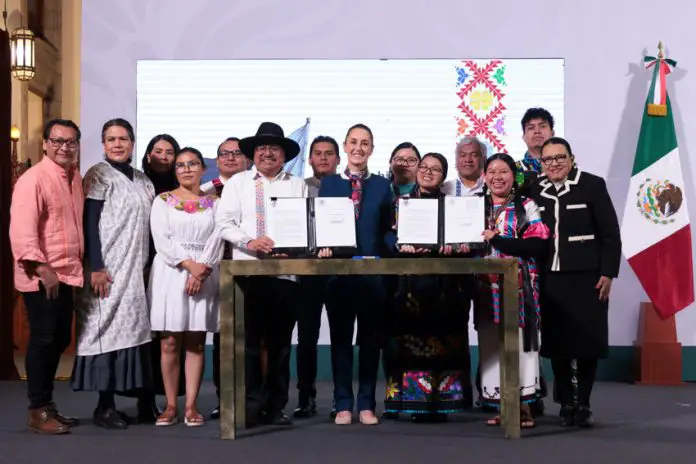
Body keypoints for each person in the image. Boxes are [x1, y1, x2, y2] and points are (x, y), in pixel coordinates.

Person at [216, 121, 307, 427]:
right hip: (247, 273)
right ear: (253, 154)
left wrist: (293, 249)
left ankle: (277, 405)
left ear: (284, 155)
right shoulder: (237, 183)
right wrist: (250, 242)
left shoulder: (297, 184)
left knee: (281, 345)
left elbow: (305, 226)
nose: (268, 153)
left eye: (274, 148)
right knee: (250, 343)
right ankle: (251, 403)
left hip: (285, 275)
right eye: (262, 148)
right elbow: (224, 224)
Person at [530, 137, 621, 428]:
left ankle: (584, 403)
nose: (554, 164)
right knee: (557, 344)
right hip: (550, 277)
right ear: (541, 163)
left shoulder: (592, 185)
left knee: (586, 343)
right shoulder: (533, 188)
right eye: (548, 159)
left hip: (588, 279)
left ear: (571, 158)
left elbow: (610, 235)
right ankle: (566, 402)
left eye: (560, 157)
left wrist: (608, 273)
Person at [71, 118, 156, 430]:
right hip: (106, 270)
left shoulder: (144, 180)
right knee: (105, 332)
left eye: (123, 138)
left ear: (133, 143)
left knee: (135, 334)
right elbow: (89, 221)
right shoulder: (98, 175)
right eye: (111, 139)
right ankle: (104, 406)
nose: (118, 144)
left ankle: (143, 401)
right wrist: (96, 266)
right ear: (104, 145)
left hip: (135, 269)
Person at [317, 123, 396, 426]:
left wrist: (401, 245)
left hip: (373, 275)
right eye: (353, 142)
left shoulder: (381, 185)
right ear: (345, 147)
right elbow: (322, 225)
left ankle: (366, 403)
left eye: (365, 143)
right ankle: (343, 403)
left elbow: (386, 230)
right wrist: (323, 246)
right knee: (340, 341)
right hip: (338, 274)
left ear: (372, 149)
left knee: (370, 342)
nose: (358, 148)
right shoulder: (330, 184)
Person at [384, 153, 472, 422]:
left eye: (436, 169)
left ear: (444, 176)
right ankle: (409, 402)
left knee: (444, 341)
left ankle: (443, 403)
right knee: (409, 341)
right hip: (409, 285)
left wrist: (457, 246)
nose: (428, 172)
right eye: (424, 167)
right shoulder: (402, 203)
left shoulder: (455, 206)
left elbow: (467, 239)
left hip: (445, 285)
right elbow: (388, 234)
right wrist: (400, 244)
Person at [9, 119, 84, 435]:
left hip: (67, 272)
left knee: (59, 339)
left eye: (70, 142)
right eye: (57, 141)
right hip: (43, 275)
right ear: (44, 143)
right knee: (43, 340)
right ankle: (37, 410)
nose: (63, 147)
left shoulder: (74, 177)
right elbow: (22, 230)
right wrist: (41, 269)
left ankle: (47, 404)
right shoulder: (33, 179)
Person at [149, 147, 224, 427]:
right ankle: (170, 405)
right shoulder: (163, 201)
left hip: (204, 273)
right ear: (175, 170)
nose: (187, 169)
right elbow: (162, 239)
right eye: (180, 165)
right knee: (169, 341)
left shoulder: (215, 203)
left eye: (193, 164)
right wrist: (187, 264)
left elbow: (218, 238)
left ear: (203, 168)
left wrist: (201, 269)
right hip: (172, 272)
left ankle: (191, 405)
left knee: (195, 341)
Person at [475, 153, 550, 429]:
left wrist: (500, 241)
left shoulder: (526, 205)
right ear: (484, 176)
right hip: (485, 286)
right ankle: (501, 405)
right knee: (493, 343)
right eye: (492, 171)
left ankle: (524, 406)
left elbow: (538, 245)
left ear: (514, 176)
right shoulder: (474, 207)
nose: (497, 176)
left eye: (503, 171)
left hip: (520, 285)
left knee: (521, 342)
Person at [202, 136, 250, 420]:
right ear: (217, 159)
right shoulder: (204, 193)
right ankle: (224, 398)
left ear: (247, 159)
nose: (231, 158)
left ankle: (252, 398)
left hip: (251, 268)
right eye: (224, 153)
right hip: (217, 270)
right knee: (223, 337)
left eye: (237, 153)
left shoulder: (252, 189)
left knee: (252, 337)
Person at [294, 135, 341, 418]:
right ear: (309, 159)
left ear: (338, 159)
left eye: (329, 153)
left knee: (340, 337)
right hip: (307, 269)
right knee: (307, 337)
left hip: (338, 270)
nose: (323, 158)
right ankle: (305, 397)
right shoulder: (298, 188)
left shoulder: (347, 188)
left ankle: (340, 398)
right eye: (318, 153)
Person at [140, 133, 183, 422]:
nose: (163, 157)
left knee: (168, 336)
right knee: (144, 336)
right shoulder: (138, 183)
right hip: (140, 264)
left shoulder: (185, 188)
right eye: (158, 151)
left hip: (174, 266)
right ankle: (143, 399)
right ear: (148, 155)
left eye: (170, 152)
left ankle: (164, 400)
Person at [515, 108, 555, 194]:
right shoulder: (515, 169)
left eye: (542, 126)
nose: (537, 131)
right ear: (523, 136)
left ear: (553, 133)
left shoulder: (562, 165)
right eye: (531, 128)